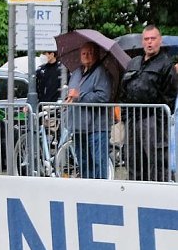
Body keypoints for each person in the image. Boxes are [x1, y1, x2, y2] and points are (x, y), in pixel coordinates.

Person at [119, 24, 178, 182]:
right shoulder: (133, 63)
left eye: (153, 38)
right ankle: (136, 194)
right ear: (142, 42)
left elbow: (170, 96)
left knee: (157, 164)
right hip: (132, 120)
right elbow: (123, 90)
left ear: (160, 41)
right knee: (133, 161)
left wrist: (157, 121)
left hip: (153, 121)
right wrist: (125, 117)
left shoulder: (166, 64)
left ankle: (160, 194)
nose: (149, 42)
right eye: (146, 39)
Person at [65, 42, 113, 179]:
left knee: (98, 163)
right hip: (79, 127)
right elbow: (72, 93)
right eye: (84, 53)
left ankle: (100, 189)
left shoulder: (101, 72)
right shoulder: (76, 73)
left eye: (90, 53)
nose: (86, 56)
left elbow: (104, 96)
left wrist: (80, 96)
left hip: (96, 128)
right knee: (84, 163)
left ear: (96, 55)